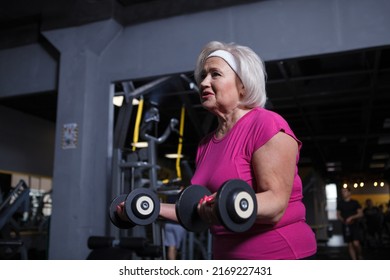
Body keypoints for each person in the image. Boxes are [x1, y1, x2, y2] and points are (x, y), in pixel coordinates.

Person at [117, 41, 317, 259]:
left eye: (215, 74)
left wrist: (219, 204)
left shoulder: (266, 124)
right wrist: (143, 208)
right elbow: (193, 209)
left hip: (279, 253)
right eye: (203, 75)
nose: (204, 82)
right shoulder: (205, 145)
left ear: (243, 84)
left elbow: (276, 204)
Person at [336, 187, 363, 260]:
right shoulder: (340, 203)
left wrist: (351, 218)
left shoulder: (355, 202)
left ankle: (360, 255)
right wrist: (343, 220)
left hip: (354, 225)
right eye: (342, 191)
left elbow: (360, 214)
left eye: (345, 191)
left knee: (356, 243)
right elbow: (338, 215)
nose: (343, 193)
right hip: (346, 226)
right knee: (350, 244)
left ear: (349, 193)